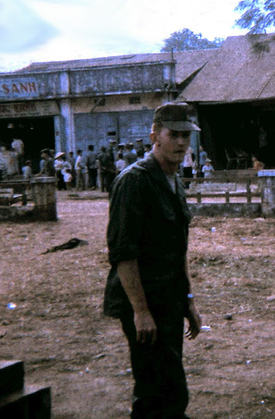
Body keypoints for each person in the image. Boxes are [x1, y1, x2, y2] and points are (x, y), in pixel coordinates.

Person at [103, 102, 202, 419]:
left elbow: (179, 248)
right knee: (158, 391)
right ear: (154, 136)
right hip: (144, 301)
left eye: (186, 135)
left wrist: (188, 300)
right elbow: (124, 253)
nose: (181, 142)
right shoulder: (134, 181)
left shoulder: (173, 180)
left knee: (165, 388)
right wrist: (141, 311)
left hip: (169, 298)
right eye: (173, 134)